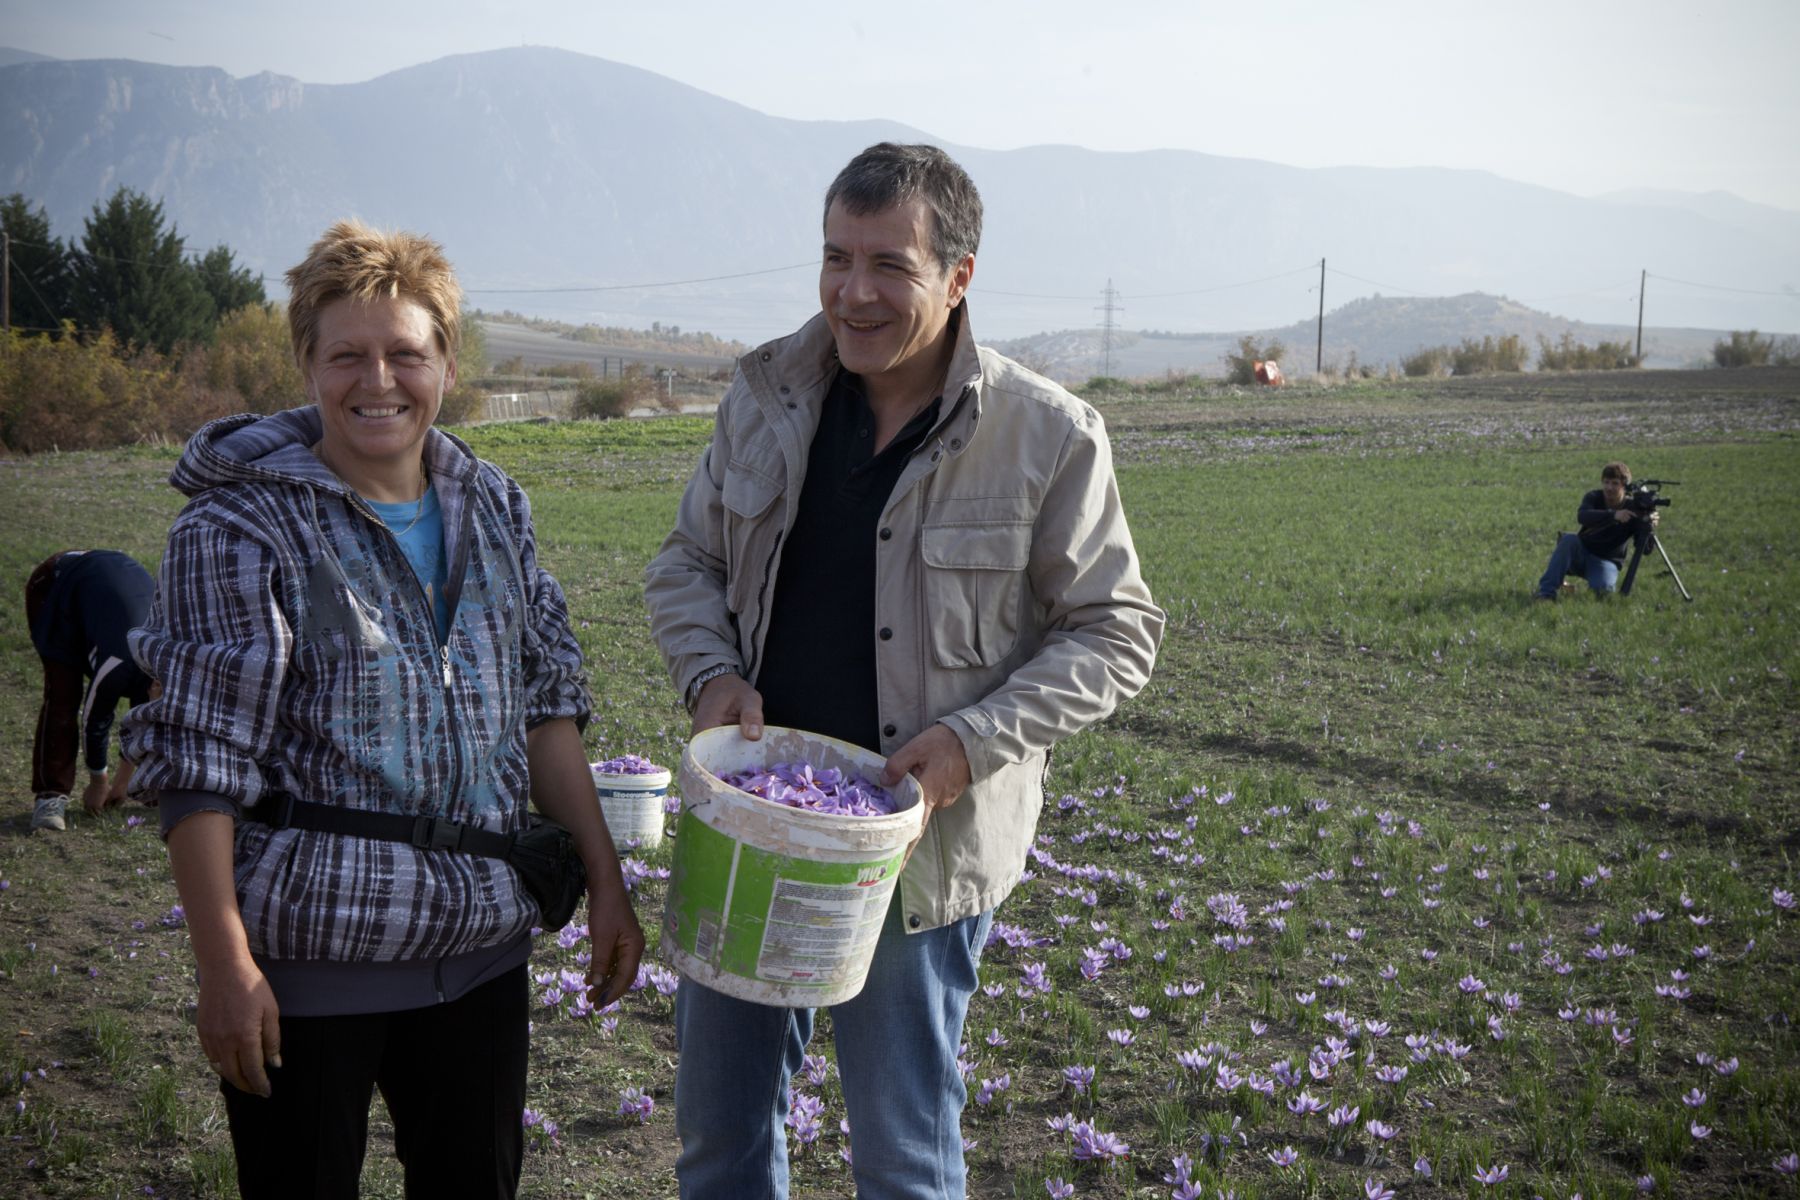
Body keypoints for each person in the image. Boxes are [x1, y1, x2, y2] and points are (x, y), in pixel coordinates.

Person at [644, 143, 1164, 1200]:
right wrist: (709, 679)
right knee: (719, 1144)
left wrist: (965, 751)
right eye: (836, 258)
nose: (854, 291)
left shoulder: (1046, 435)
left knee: (903, 1159)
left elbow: (1116, 631)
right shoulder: (767, 397)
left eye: (890, 265)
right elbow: (686, 562)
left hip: (914, 852)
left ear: (960, 276)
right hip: (755, 825)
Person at [121, 220, 645, 1198]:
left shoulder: (494, 506)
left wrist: (606, 881)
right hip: (310, 964)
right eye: (347, 355)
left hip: (482, 954)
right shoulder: (238, 524)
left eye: (407, 352)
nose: (380, 381)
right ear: (305, 364)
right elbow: (198, 764)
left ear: (446, 361)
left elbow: (547, 709)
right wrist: (223, 969)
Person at [24, 550, 157, 830]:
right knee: (63, 694)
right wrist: (99, 782)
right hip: (56, 583)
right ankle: (51, 796)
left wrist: (123, 782)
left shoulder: (167, 658)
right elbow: (94, 719)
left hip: (104, 596)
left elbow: (143, 717)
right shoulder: (118, 664)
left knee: (142, 699)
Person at [1534, 461, 1660, 600]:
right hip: (1582, 551)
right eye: (1606, 482)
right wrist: (1613, 515)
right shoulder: (1594, 497)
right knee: (1568, 540)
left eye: (1615, 483)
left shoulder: (1633, 509)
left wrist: (1649, 527)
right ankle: (1546, 594)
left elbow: (1645, 550)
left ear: (1624, 486)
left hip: (1606, 561)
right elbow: (1582, 516)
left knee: (1603, 593)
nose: (1609, 488)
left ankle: (1571, 587)